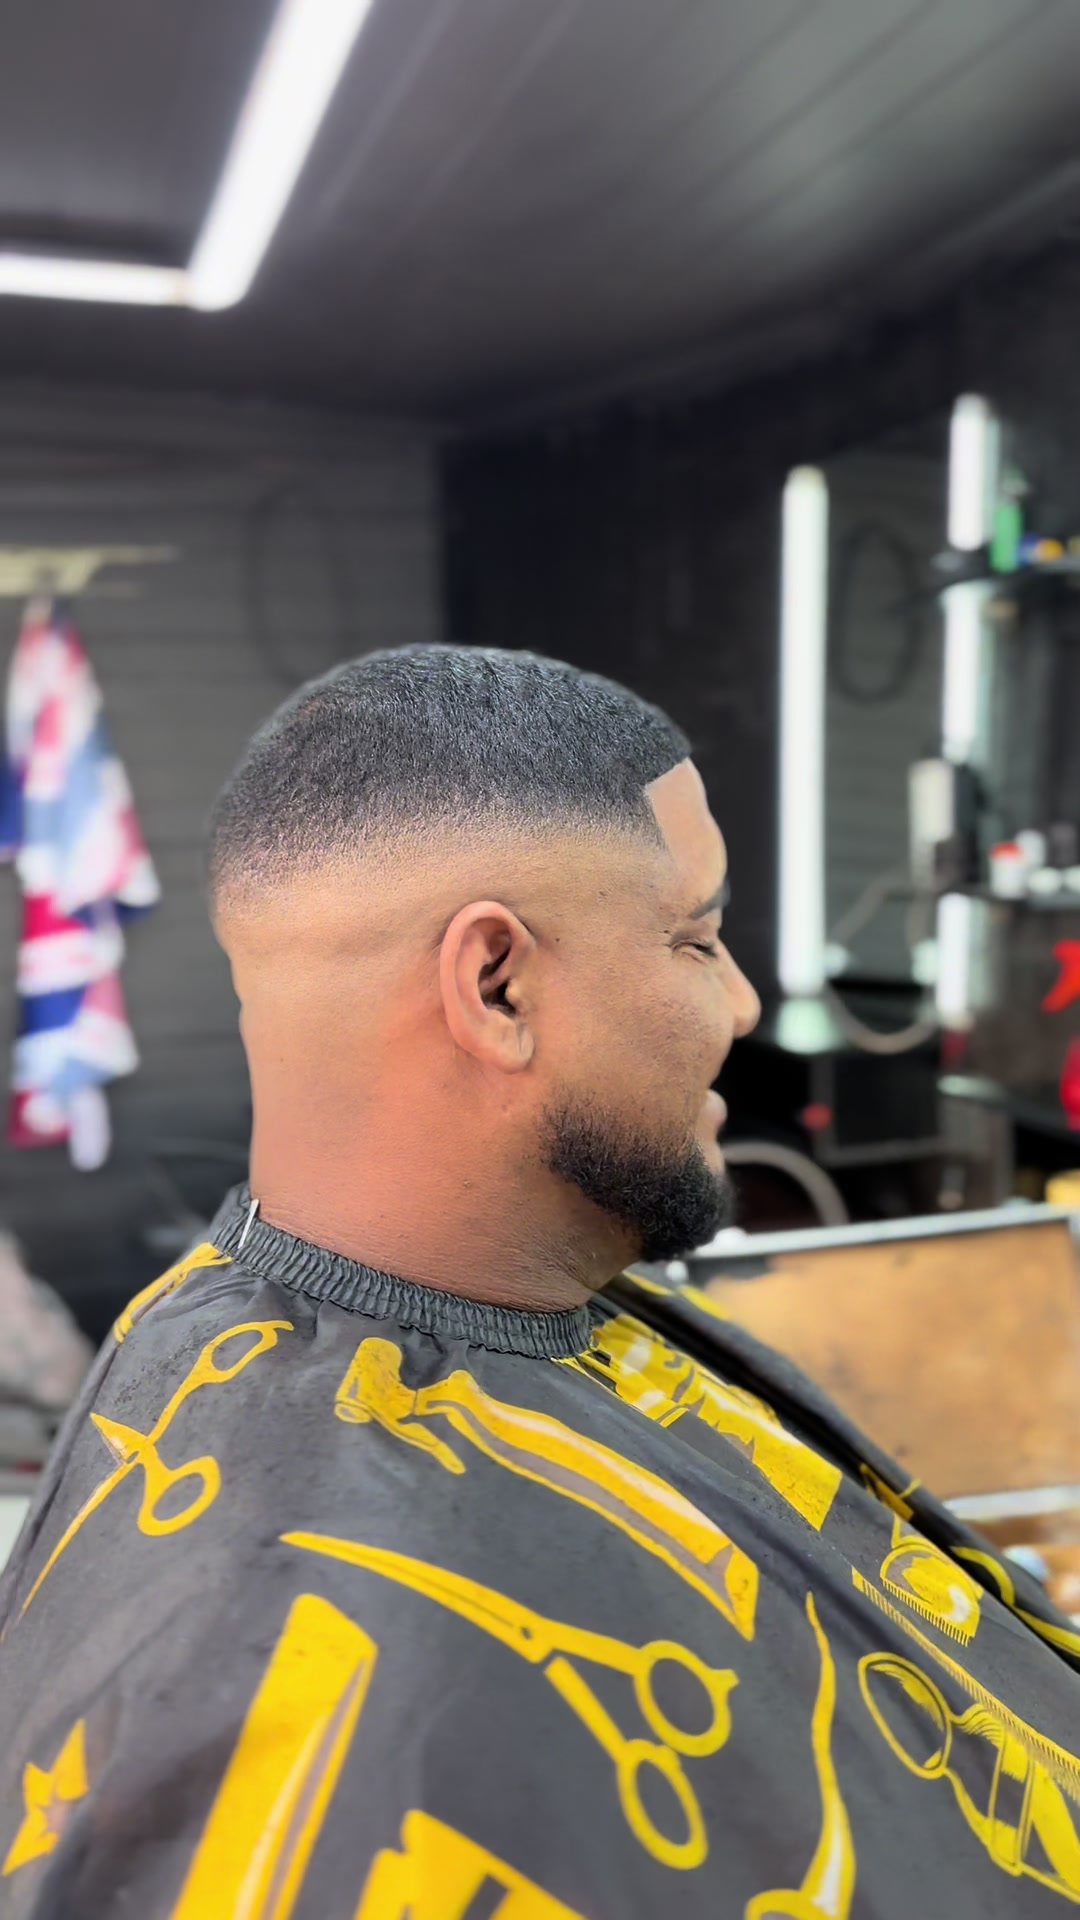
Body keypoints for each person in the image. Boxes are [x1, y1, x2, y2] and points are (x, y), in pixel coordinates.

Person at [1, 646, 1079, 1920]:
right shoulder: (321, 1692)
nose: (741, 1002)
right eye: (698, 938)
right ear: (496, 986)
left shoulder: (527, 1299)